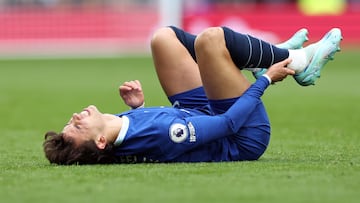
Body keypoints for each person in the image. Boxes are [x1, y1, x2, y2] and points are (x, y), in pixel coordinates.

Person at [43, 26, 342, 165]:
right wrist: (266, 80)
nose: (75, 117)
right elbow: (228, 124)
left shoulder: (115, 130)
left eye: (70, 121)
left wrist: (140, 107)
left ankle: (262, 55)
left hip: (196, 115)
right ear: (99, 141)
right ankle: (298, 62)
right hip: (242, 134)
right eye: (77, 126)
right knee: (210, 41)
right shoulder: (166, 133)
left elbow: (145, 141)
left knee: (163, 39)